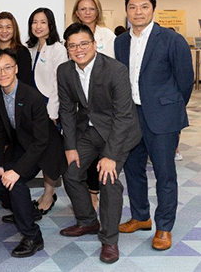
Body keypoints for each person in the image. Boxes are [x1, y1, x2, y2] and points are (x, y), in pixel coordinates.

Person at [115, 0, 194, 251]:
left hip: (163, 118)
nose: (138, 12)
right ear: (126, 11)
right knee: (133, 170)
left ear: (153, 9)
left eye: (144, 7)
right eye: (133, 7)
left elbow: (185, 82)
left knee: (164, 173)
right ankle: (140, 216)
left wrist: (170, 108)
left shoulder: (172, 40)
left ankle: (164, 227)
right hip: (131, 116)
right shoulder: (121, 42)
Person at [58, 23, 141, 264]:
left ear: (94, 44)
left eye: (84, 44)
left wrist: (111, 155)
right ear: (67, 49)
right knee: (71, 173)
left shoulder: (115, 69)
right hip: (88, 132)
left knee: (108, 179)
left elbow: (124, 116)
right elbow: (67, 110)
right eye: (72, 46)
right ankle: (87, 221)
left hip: (119, 133)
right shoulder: (64, 71)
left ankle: (109, 240)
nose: (79, 49)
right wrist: (70, 146)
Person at [0, 48, 66, 258]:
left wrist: (16, 170)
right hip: (22, 144)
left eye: (7, 68)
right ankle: (27, 212)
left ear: (16, 69)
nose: (2, 73)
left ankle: (33, 236)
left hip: (44, 147)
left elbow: (41, 141)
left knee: (16, 182)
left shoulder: (31, 96)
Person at [0, 12, 32, 206]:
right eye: (0, 27)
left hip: (17, 110)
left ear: (14, 29)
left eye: (8, 27)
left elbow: (25, 83)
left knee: (15, 148)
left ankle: (13, 184)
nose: (4, 31)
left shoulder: (22, 52)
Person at [71, 0, 117, 210]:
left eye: (91, 8)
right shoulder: (71, 34)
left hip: (105, 105)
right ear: (76, 12)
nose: (87, 12)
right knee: (84, 154)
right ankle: (91, 195)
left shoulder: (107, 35)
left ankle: (98, 194)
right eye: (83, 9)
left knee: (104, 154)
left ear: (97, 11)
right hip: (83, 106)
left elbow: (115, 68)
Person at [26, 7, 67, 214]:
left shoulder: (58, 49)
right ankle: (45, 193)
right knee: (40, 153)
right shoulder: (32, 49)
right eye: (34, 22)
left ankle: (49, 195)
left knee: (50, 155)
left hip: (49, 108)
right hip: (34, 108)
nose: (38, 26)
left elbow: (58, 84)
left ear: (50, 25)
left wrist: (52, 113)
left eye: (42, 22)